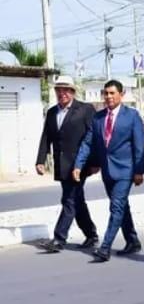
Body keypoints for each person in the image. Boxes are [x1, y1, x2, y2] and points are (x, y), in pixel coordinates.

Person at [73, 79, 144, 262]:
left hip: (125, 170)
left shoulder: (132, 116)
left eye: (112, 93)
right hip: (107, 170)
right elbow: (88, 143)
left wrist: (139, 171)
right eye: (106, 93)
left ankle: (105, 248)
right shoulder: (98, 118)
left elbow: (139, 146)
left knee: (116, 207)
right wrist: (78, 165)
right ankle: (133, 241)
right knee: (121, 206)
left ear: (122, 94)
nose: (108, 96)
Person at [35, 75, 99, 252]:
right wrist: (40, 160)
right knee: (77, 200)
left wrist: (95, 162)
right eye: (59, 90)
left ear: (73, 92)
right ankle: (91, 235)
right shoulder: (52, 112)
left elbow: (94, 137)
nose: (62, 93)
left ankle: (59, 239)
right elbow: (46, 137)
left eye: (66, 90)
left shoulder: (85, 109)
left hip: (80, 164)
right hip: (61, 164)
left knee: (69, 199)